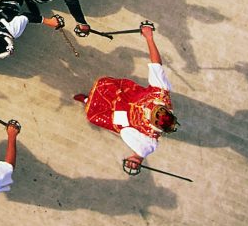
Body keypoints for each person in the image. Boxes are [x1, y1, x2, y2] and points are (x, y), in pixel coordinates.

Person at [72, 21, 178, 174]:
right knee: (104, 85)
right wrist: (149, 37)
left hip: (123, 119)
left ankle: (87, 100)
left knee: (94, 115)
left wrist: (136, 159)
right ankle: (92, 98)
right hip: (127, 95)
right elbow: (156, 64)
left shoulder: (147, 142)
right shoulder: (161, 94)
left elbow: (132, 142)